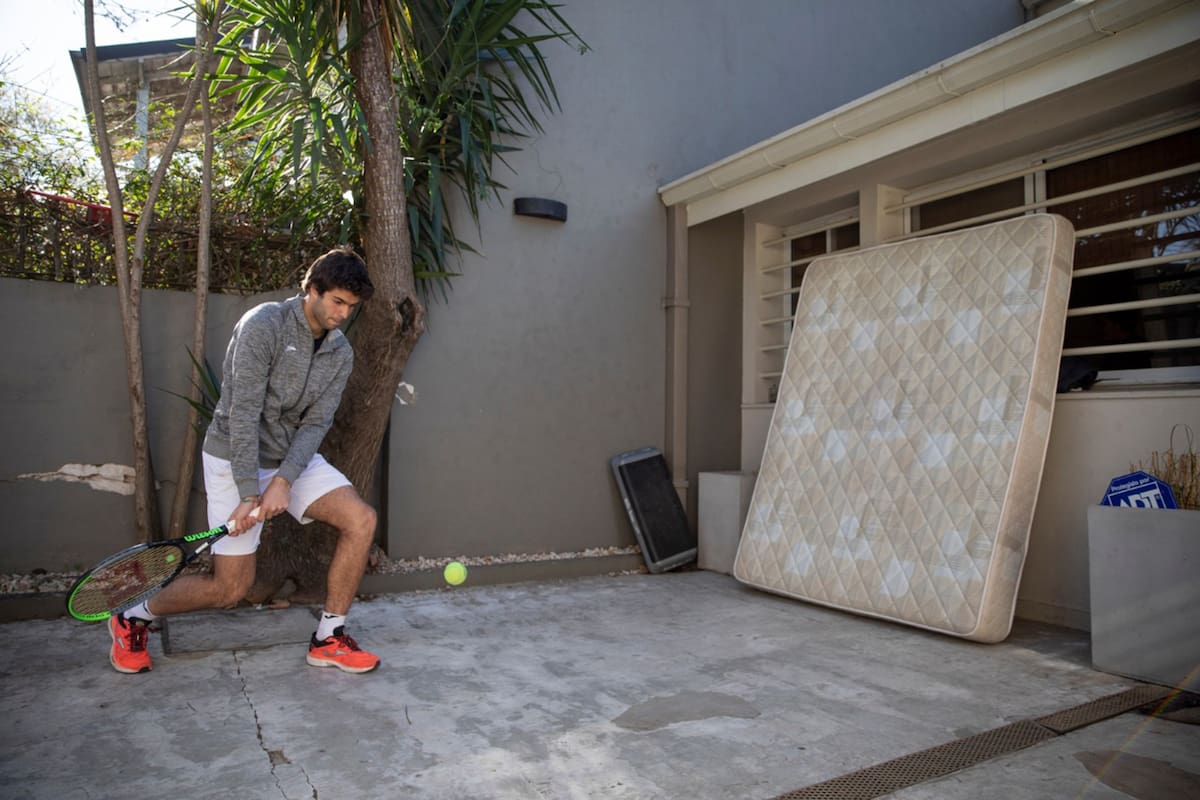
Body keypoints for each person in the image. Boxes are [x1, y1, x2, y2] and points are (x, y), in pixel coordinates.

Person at [107, 246, 381, 675]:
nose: (344, 314)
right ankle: (134, 615)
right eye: (337, 302)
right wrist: (250, 491)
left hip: (291, 458)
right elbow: (242, 415)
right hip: (234, 455)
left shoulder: (340, 353)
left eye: (351, 306)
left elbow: (315, 424)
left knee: (360, 519)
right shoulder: (264, 325)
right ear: (312, 290)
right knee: (230, 588)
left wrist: (284, 480)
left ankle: (328, 637)